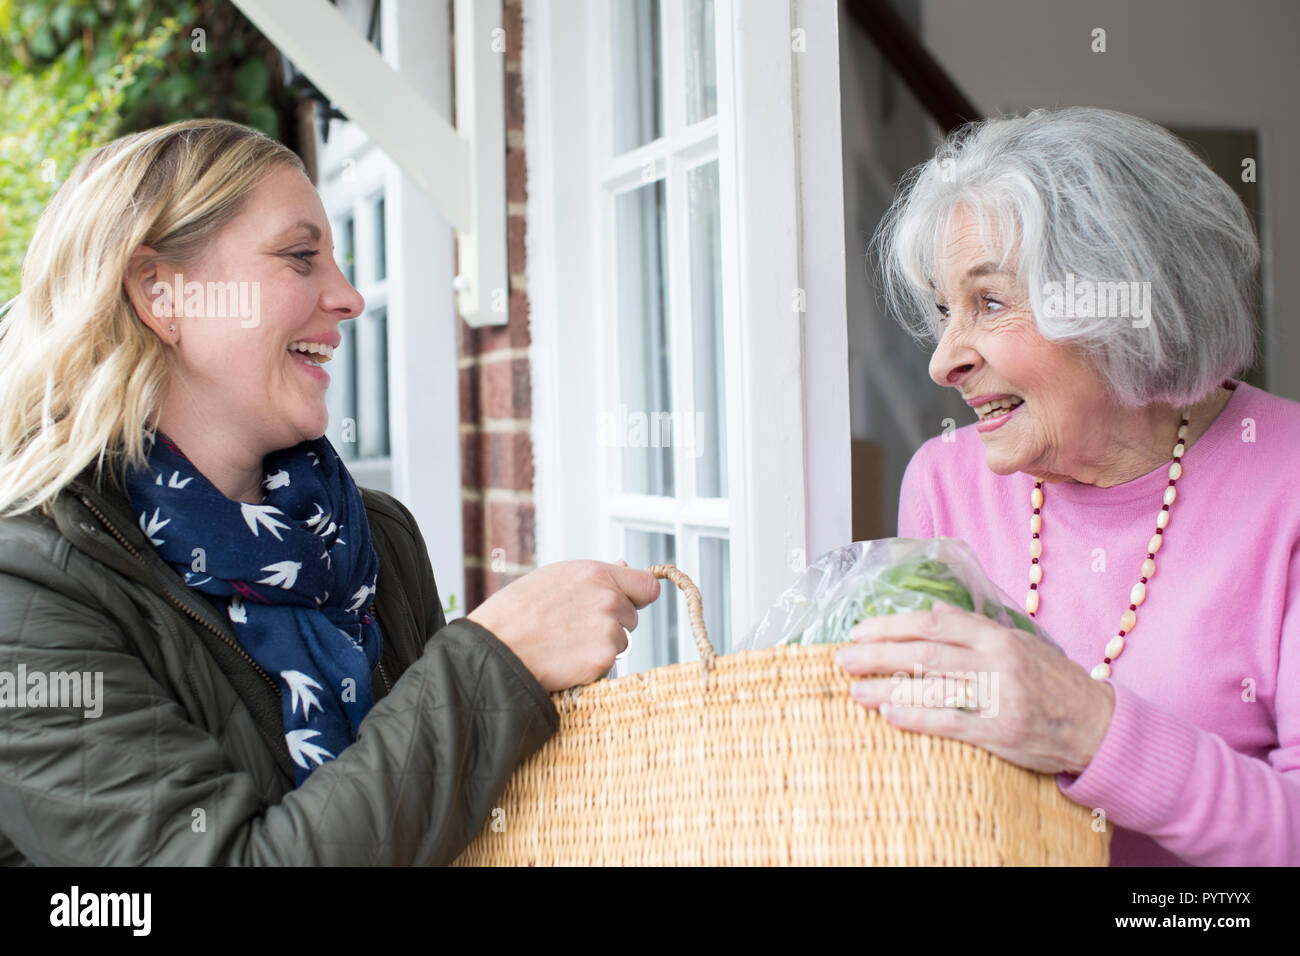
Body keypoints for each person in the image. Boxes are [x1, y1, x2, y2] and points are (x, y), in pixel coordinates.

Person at [0, 118, 659, 865]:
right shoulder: (27, 593)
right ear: (162, 293)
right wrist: (493, 665)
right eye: (300, 257)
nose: (347, 298)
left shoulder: (374, 537)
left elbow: (445, 824)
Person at [842, 106, 1300, 865]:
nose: (943, 361)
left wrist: (1088, 726)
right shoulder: (945, 481)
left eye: (989, 303)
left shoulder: (1284, 481)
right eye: (943, 309)